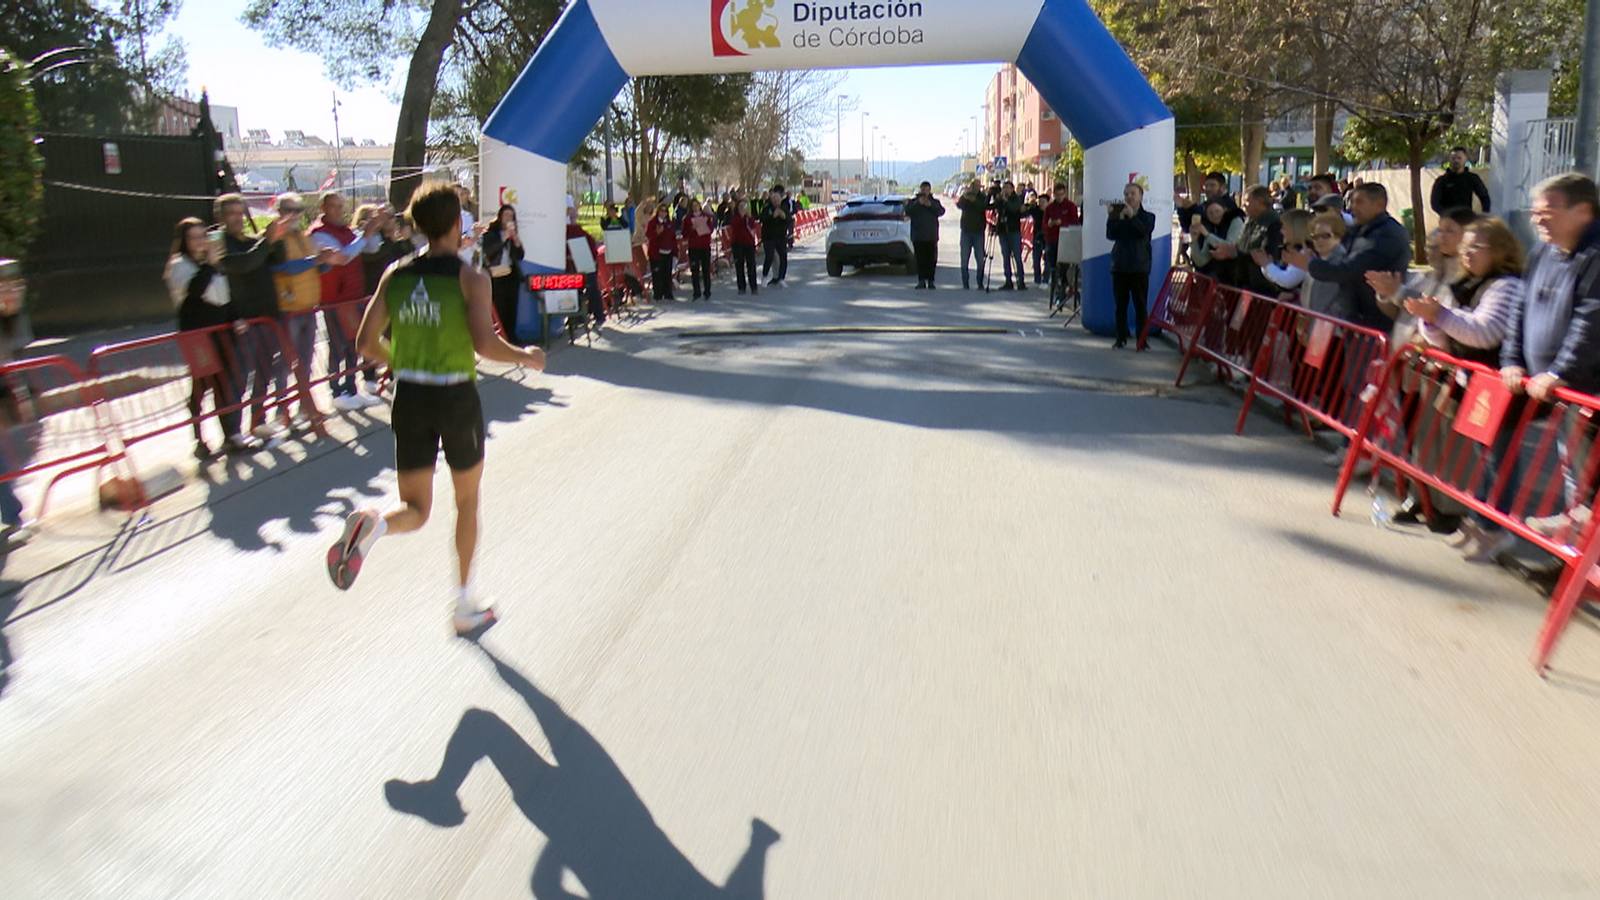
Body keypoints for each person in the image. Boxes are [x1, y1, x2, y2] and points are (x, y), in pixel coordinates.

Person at [327, 181, 547, 636]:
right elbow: (485, 345)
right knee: (466, 502)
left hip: (410, 396)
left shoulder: (396, 274)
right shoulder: (471, 278)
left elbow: (366, 343)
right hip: (455, 397)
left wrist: (404, 361)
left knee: (415, 507)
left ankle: (372, 523)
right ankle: (464, 604)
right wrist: (526, 355)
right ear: (455, 224)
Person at [1491, 173, 1600, 549]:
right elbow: (1521, 310)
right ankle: (1574, 560)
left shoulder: (1595, 256)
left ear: (1582, 211)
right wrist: (1511, 360)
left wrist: (1559, 372)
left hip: (1586, 388)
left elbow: (1591, 318)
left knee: (1588, 480)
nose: (1537, 219)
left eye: (1547, 212)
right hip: (1559, 391)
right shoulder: (1540, 253)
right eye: (1535, 212)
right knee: (1575, 474)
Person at [165, 217, 259, 459]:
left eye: (202, 237)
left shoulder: (212, 265)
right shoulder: (179, 265)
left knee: (224, 386)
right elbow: (196, 292)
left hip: (221, 332)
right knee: (200, 388)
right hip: (197, 335)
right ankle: (199, 439)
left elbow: (224, 295)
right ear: (184, 241)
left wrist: (236, 316)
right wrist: (210, 265)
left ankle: (230, 435)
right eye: (194, 238)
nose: (199, 242)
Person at [1281, 182, 1411, 331]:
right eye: (1352, 202)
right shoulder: (1359, 230)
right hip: (1354, 320)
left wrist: (1309, 264)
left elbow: (1350, 270)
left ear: (1380, 204)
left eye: (1360, 202)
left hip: (1375, 322)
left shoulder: (1387, 235)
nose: (1353, 207)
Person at [216, 194, 291, 441]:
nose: (238, 218)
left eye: (240, 213)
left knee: (263, 373)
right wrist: (266, 242)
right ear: (221, 217)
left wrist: (277, 239)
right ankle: (233, 432)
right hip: (242, 321)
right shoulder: (218, 242)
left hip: (267, 317)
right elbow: (243, 265)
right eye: (231, 213)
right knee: (238, 378)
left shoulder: (253, 240)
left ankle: (257, 421)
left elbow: (275, 259)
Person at [309, 191, 385, 411]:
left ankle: (352, 388)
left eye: (341, 206)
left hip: (353, 298)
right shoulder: (318, 234)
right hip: (335, 300)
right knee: (338, 346)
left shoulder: (346, 231)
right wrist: (364, 235)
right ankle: (336, 390)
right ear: (323, 208)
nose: (339, 211)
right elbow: (342, 257)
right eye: (334, 206)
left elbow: (372, 248)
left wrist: (374, 228)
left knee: (354, 345)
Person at [268, 193, 337, 428]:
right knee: (286, 365)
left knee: (305, 363)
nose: (295, 214)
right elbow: (281, 268)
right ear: (279, 211)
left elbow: (313, 267)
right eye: (289, 209)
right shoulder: (275, 239)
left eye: (298, 209)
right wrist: (315, 261)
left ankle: (303, 408)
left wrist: (325, 261)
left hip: (308, 308)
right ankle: (281, 411)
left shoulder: (304, 236)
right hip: (289, 311)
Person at [1105, 182, 1156, 349]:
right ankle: (1121, 337)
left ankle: (1142, 340)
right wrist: (1114, 218)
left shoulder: (1148, 216)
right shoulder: (1118, 214)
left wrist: (1132, 217)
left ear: (1140, 196)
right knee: (1120, 305)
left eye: (1133, 194)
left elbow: (1143, 231)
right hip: (1120, 265)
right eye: (1126, 194)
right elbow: (1110, 234)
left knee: (1140, 305)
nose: (1129, 197)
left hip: (1139, 266)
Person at [480, 204, 525, 336]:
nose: (508, 218)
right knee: (500, 308)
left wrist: (516, 241)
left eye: (511, 216)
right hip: (495, 275)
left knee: (512, 307)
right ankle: (500, 337)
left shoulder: (513, 234)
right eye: (506, 215)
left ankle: (511, 336)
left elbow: (520, 256)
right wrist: (503, 237)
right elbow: (488, 251)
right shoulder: (491, 233)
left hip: (510, 275)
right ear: (500, 217)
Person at [565, 206, 604, 328]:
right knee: (579, 290)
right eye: (570, 216)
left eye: (573, 216)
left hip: (585, 264)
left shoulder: (579, 232)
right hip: (574, 267)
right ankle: (579, 316)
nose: (572, 218)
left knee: (591, 288)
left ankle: (596, 315)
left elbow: (592, 248)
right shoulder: (568, 231)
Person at [1189, 200, 1246, 281]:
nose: (1215, 215)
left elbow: (1228, 247)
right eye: (1210, 213)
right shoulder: (1212, 228)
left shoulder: (1235, 221)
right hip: (1220, 277)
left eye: (1217, 211)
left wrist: (1207, 234)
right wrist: (1194, 241)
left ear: (1224, 210)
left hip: (1237, 275)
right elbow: (1201, 261)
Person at [1041, 182, 1082, 288]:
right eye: (1057, 195)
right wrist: (1050, 224)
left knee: (1065, 265)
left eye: (1061, 194)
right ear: (1054, 194)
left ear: (1065, 194)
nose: (1059, 197)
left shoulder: (1070, 206)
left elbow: (1075, 223)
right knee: (1052, 263)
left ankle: (1064, 285)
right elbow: (1044, 225)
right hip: (1052, 239)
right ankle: (1054, 281)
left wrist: (1062, 223)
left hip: (1066, 240)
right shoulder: (1050, 208)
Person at [1430, 146, 1492, 215]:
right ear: (1449, 159)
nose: (1456, 160)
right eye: (1453, 158)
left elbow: (1484, 197)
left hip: (1466, 219)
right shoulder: (1442, 180)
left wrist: (1484, 215)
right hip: (1448, 220)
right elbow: (1435, 203)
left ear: (1465, 159)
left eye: (1459, 158)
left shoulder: (1472, 178)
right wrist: (1447, 215)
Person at [906, 181, 945, 290]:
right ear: (920, 189)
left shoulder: (934, 201)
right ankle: (921, 281)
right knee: (920, 260)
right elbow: (908, 211)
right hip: (918, 236)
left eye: (927, 190)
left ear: (930, 190)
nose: (925, 192)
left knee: (931, 260)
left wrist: (930, 205)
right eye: (923, 190)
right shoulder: (913, 201)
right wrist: (919, 203)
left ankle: (931, 281)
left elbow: (941, 211)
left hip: (931, 236)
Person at [956, 181, 991, 290]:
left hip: (978, 232)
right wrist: (965, 196)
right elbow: (959, 205)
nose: (975, 188)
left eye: (977, 186)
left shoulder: (982, 196)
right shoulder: (966, 195)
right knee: (964, 258)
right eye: (974, 186)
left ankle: (980, 282)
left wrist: (974, 200)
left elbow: (983, 207)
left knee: (980, 259)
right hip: (966, 231)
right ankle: (965, 283)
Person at [993, 181, 1027, 291]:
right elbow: (993, 207)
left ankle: (1021, 281)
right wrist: (997, 198)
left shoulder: (1015, 199)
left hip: (1013, 231)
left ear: (1012, 189)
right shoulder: (1001, 199)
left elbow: (1013, 209)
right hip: (1003, 231)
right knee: (1005, 256)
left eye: (1008, 188)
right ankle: (1008, 281)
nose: (1006, 190)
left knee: (1017, 256)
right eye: (1004, 188)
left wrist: (1006, 201)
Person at [683, 198, 717, 301]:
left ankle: (707, 291)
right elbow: (684, 233)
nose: (695, 207)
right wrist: (691, 229)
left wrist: (706, 225)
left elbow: (711, 229)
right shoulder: (688, 218)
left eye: (697, 205)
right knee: (695, 270)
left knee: (706, 269)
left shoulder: (706, 216)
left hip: (705, 246)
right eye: (693, 206)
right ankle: (696, 292)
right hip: (694, 247)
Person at [728, 190, 760, 296]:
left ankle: (753, 287)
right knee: (739, 266)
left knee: (751, 265)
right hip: (737, 244)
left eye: (744, 207)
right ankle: (741, 287)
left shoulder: (750, 218)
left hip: (749, 244)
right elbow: (735, 226)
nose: (742, 209)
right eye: (740, 207)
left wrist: (747, 216)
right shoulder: (735, 218)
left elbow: (753, 226)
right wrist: (741, 216)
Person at [645, 202, 679, 301]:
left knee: (667, 273)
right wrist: (657, 232)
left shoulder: (669, 222)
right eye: (661, 211)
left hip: (668, 252)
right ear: (658, 211)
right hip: (656, 254)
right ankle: (658, 294)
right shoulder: (653, 222)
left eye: (665, 211)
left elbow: (673, 238)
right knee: (657, 274)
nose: (663, 213)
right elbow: (649, 235)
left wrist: (675, 252)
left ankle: (668, 293)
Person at [760, 185, 791, 286]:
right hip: (768, 237)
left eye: (778, 199)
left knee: (783, 257)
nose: (776, 201)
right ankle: (764, 276)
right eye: (774, 199)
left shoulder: (784, 207)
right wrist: (772, 216)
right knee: (769, 256)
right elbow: (762, 219)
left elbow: (789, 220)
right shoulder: (767, 207)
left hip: (781, 237)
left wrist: (783, 216)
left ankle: (781, 278)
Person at [1023, 188, 1047, 284]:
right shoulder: (1035, 210)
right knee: (1036, 258)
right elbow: (1024, 212)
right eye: (1040, 201)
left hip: (1048, 237)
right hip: (1037, 236)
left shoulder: (1050, 210)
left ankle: (1046, 278)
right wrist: (1029, 204)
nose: (1041, 203)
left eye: (1043, 202)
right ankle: (1037, 278)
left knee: (1047, 259)